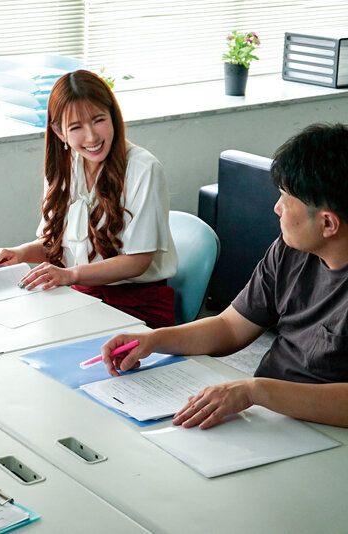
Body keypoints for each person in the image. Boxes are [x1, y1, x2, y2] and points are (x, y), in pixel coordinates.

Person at [102, 123, 348, 429]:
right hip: (269, 416)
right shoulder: (290, 250)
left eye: (285, 199)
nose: (276, 208)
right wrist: (154, 339)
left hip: (323, 431)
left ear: (328, 224)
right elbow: (231, 328)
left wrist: (255, 390)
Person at [0, 70, 177, 328]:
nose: (91, 137)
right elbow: (61, 246)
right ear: (60, 133)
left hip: (138, 306)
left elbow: (138, 262)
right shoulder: (64, 168)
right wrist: (20, 253)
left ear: (113, 117)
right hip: (79, 295)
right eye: (76, 127)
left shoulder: (144, 169)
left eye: (98, 120)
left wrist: (70, 275)